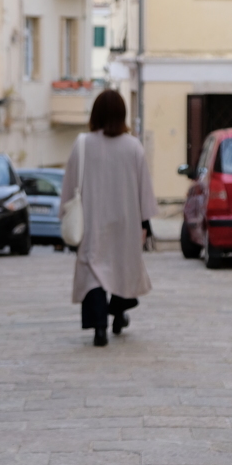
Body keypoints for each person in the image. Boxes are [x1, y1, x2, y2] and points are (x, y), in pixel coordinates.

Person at [60, 90, 158, 347]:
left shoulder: (82, 144)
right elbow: (143, 189)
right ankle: (117, 315)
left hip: (93, 221)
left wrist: (65, 216)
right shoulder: (133, 146)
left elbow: (70, 186)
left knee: (94, 269)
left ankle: (99, 328)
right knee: (122, 267)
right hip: (125, 222)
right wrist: (145, 222)